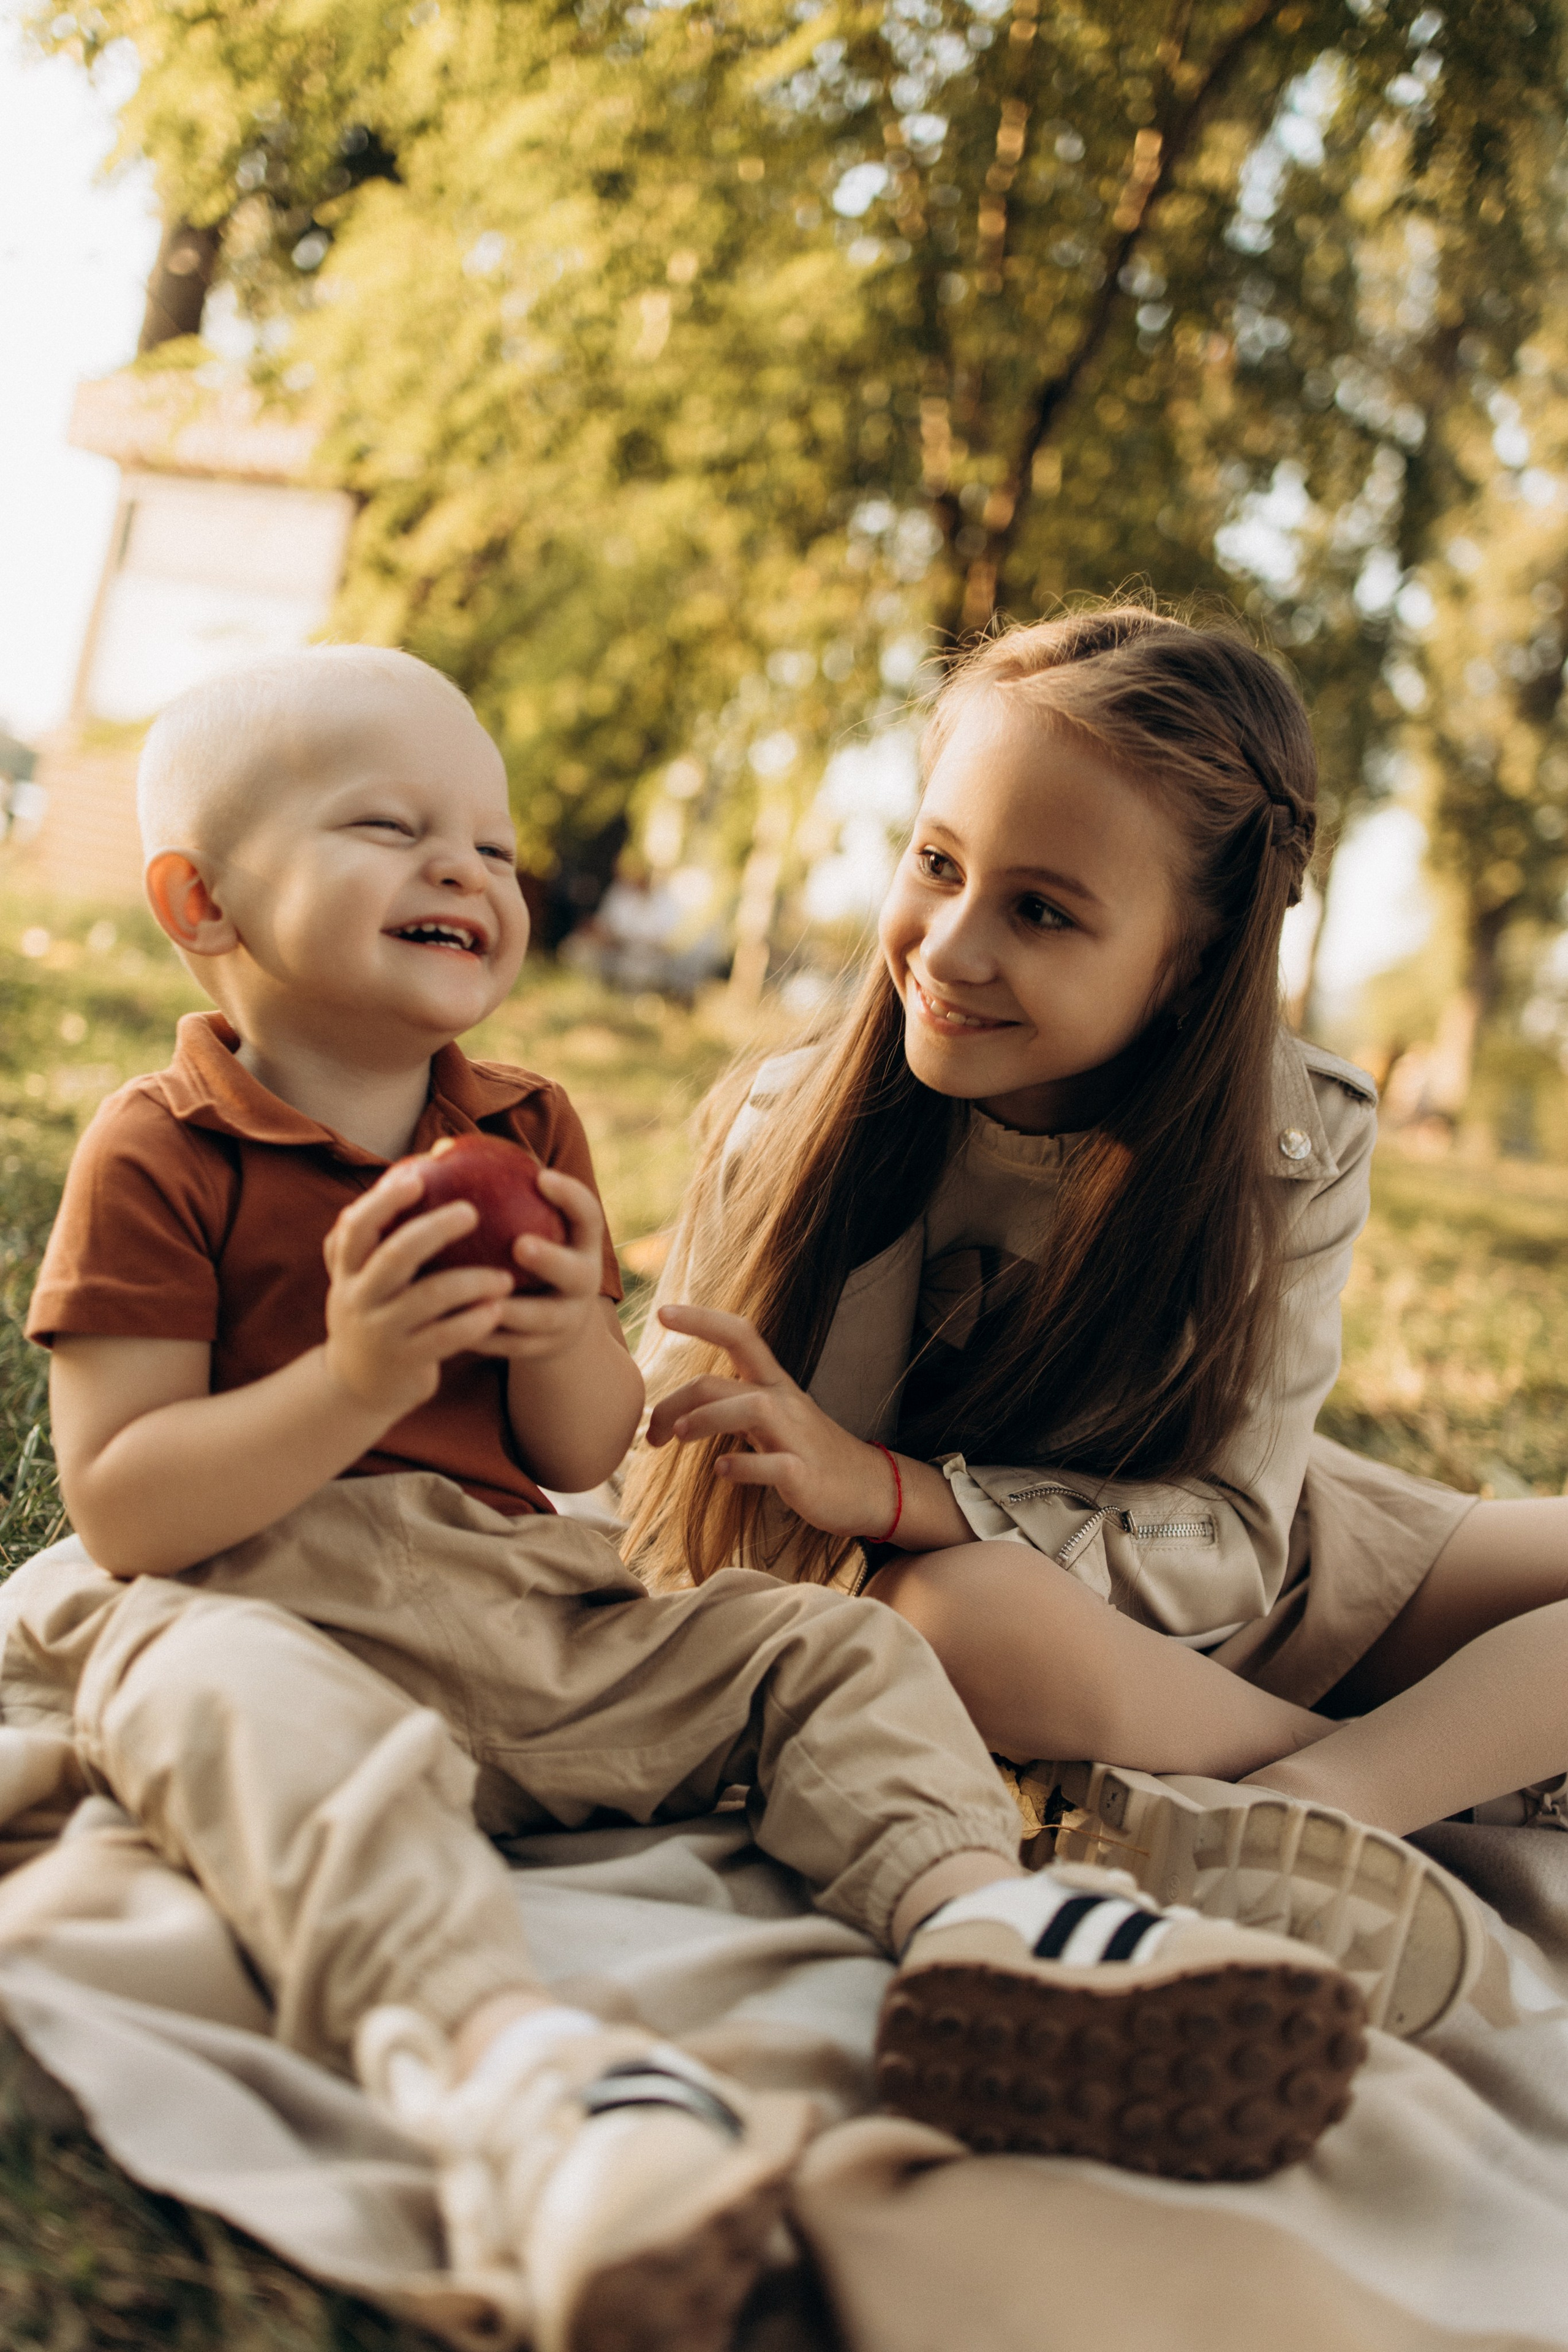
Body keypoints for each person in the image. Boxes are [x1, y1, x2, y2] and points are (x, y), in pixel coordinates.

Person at [11, 646, 1370, 2352]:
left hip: (522, 1615)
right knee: (229, 1707)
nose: (463, 869)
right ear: (198, 901)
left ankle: (983, 1928)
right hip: (257, 1605)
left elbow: (590, 1455)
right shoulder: (162, 1148)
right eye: (391, 827)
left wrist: (574, 1329)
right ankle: (528, 2080)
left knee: (819, 1650)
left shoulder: (523, 1124)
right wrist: (353, 1382)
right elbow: (126, 1511)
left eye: (492, 848)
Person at [625, 601, 1566, 2037]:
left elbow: (1240, 1538)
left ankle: (1338, 1796)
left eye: (1041, 909)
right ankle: (1384, 1782)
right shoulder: (786, 1127)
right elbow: (655, 1508)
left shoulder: (1281, 1139)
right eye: (935, 864)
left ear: (1189, 960)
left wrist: (889, 1485)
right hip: (1002, 1632)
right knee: (953, 1616)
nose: (947, 945)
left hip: (1254, 1583)